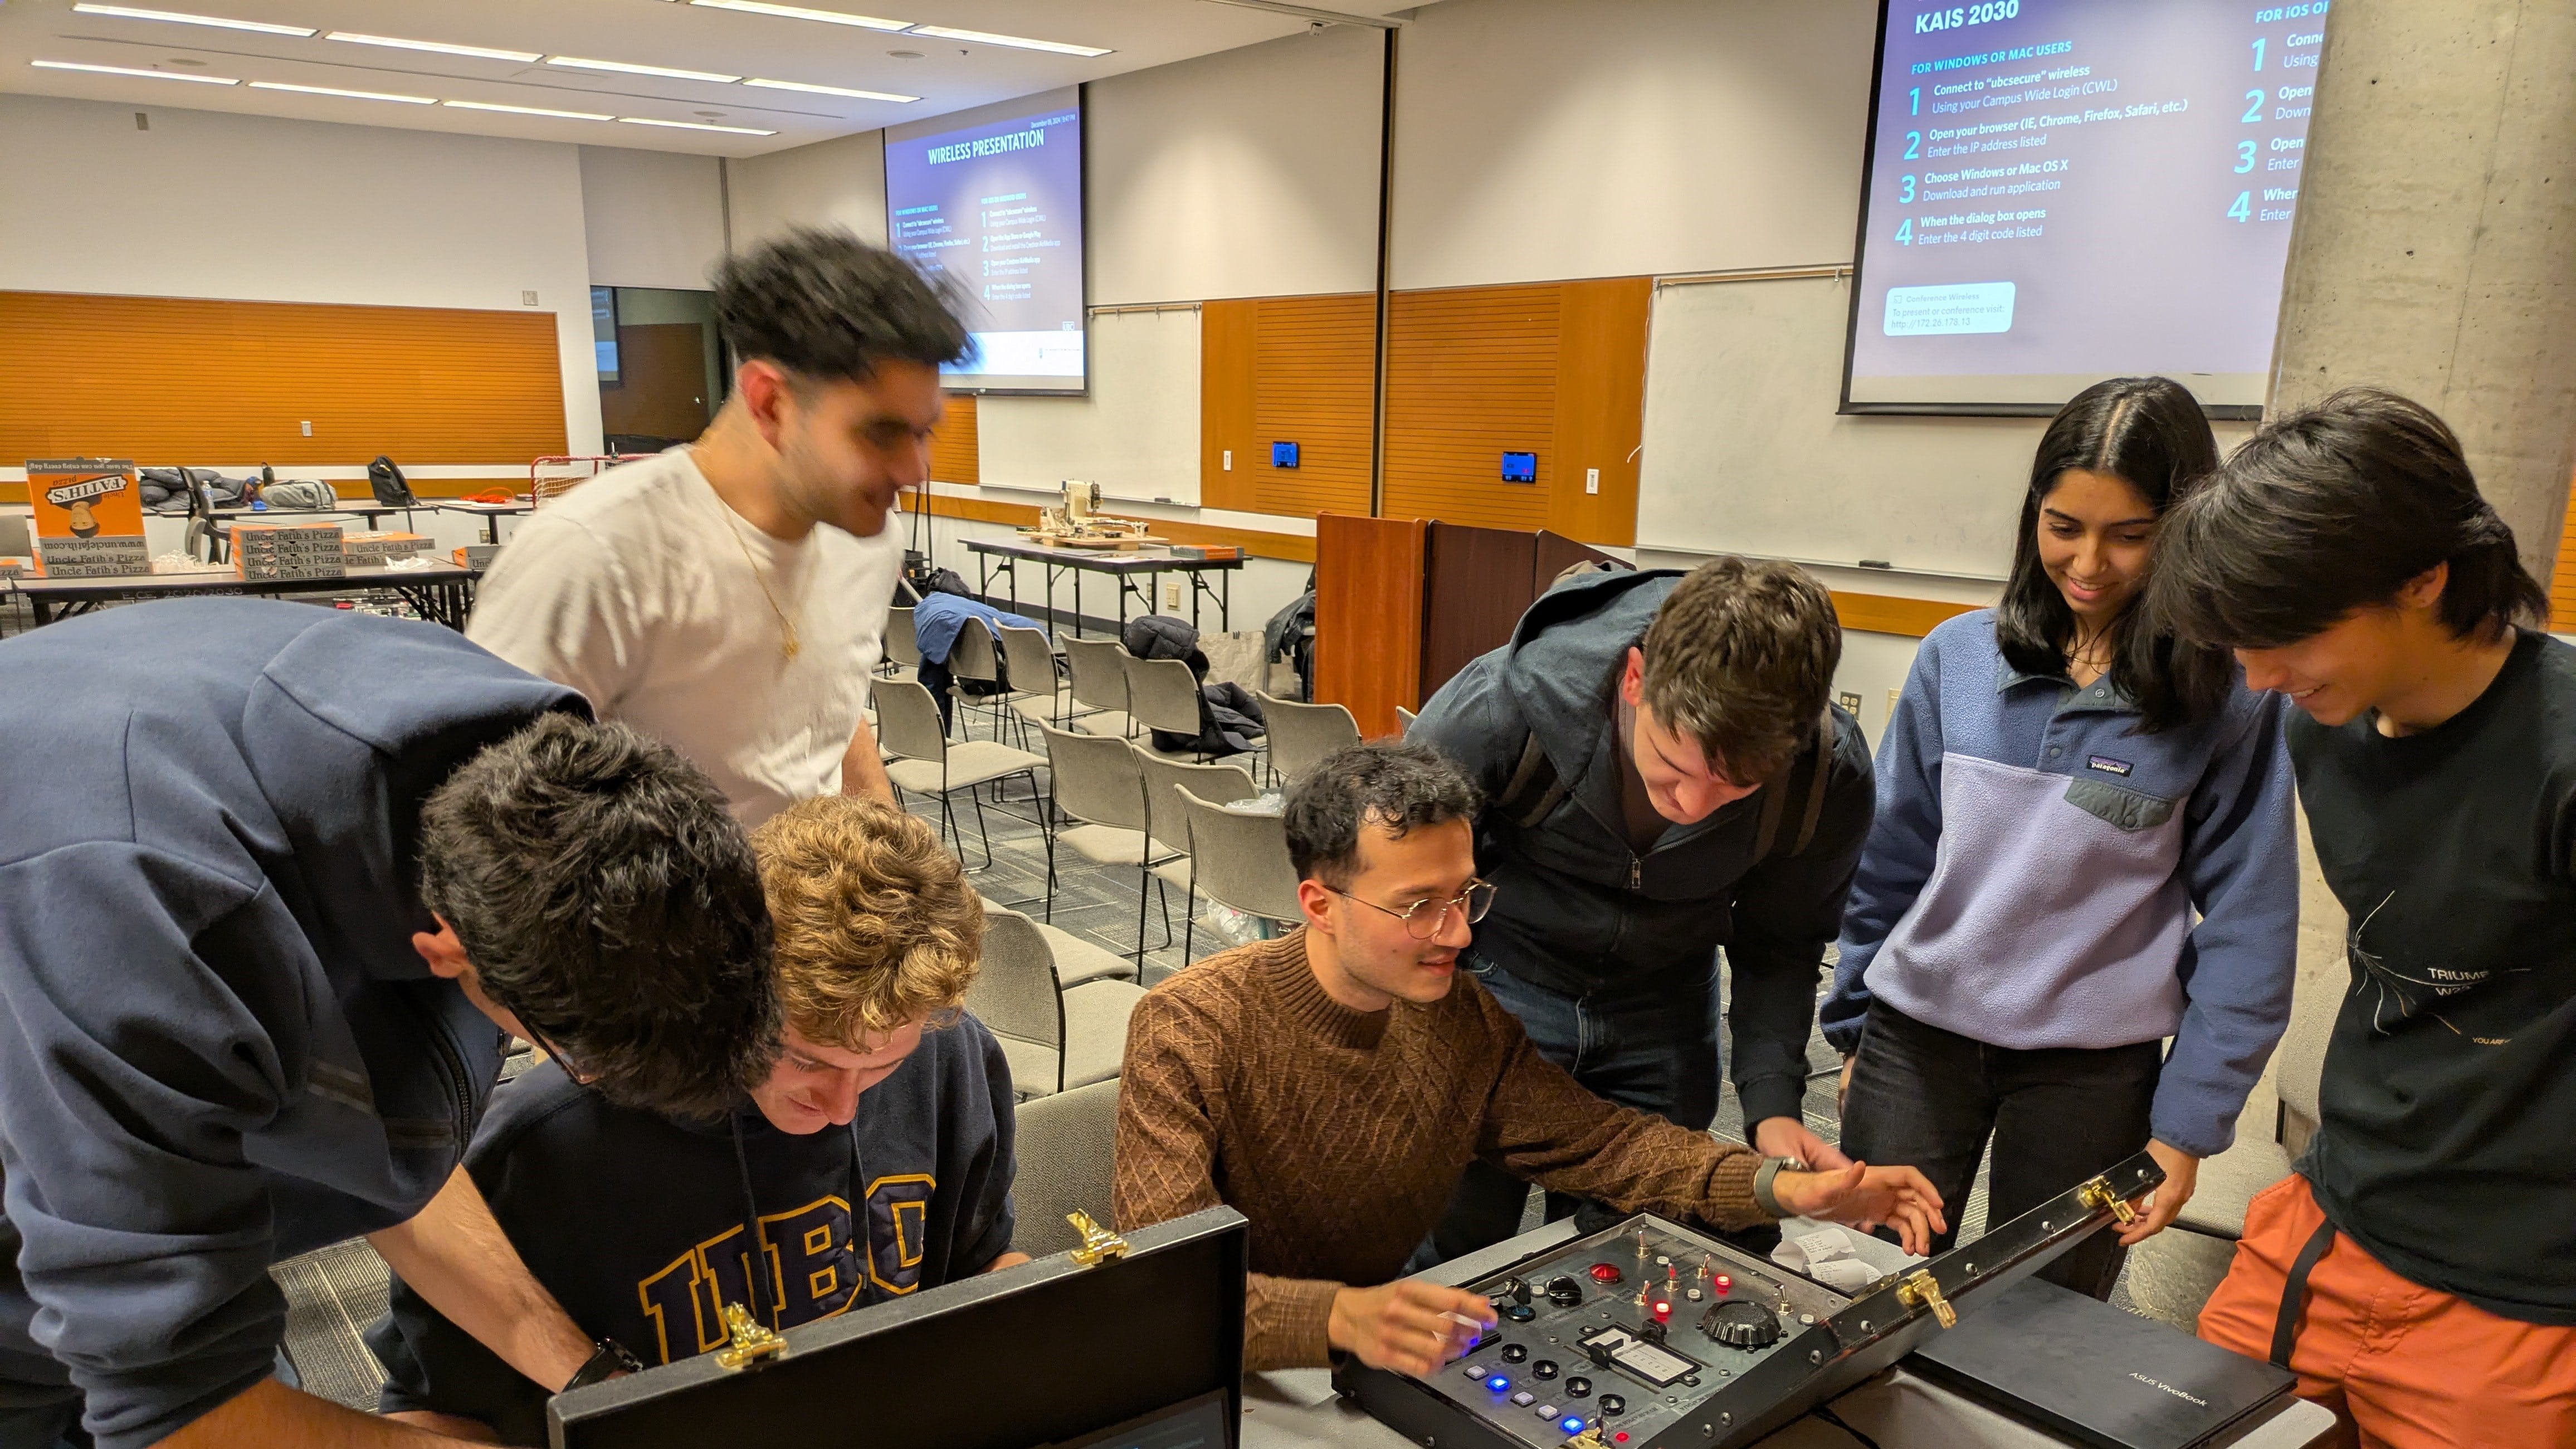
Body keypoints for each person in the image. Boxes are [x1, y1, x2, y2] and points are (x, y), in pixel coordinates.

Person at [0, 601, 779, 1449]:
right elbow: (178, 1412)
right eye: (575, 1061)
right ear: (445, 948)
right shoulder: (146, 928)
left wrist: (597, 1389)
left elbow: (373, 1134)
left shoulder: (514, 766)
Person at [1113, 741, 1943, 1374]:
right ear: (1320, 905)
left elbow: (1605, 1144)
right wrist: (1340, 1316)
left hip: (1361, 1356)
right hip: (1222, 1373)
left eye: (1466, 894)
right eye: (1418, 906)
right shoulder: (1188, 1027)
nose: (1460, 931)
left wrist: (1785, 1187)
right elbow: (1165, 1292)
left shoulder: (1459, 1020)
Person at [2144, 389, 2576, 1448]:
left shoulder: (2559, 752)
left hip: (2518, 1293)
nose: (2257, 680)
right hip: (2330, 1214)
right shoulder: (2320, 724)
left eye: (2284, 639)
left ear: (2422, 577)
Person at [1819, 377, 2299, 1298]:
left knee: (2041, 1320)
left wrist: (2184, 1127)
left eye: (2128, 535)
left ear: (2185, 527)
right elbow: (1885, 863)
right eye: (2061, 526)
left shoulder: (2229, 700)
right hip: (1913, 1043)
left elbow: (2248, 925)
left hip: (2091, 1074)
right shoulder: (1953, 660)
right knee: (1867, 1288)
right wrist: (1849, 1027)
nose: (2086, 563)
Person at [368, 794, 1024, 1443]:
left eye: (881, 1069)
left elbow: (984, 1265)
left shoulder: (949, 1056)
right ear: (729, 1005)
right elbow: (425, 1416)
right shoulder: (543, 1143)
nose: (842, 1107)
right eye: (805, 1061)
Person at [1407, 558, 1874, 1258]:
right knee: (1453, 1242)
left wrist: (1773, 1104)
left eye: (1734, 789)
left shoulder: (1825, 776)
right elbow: (1401, 891)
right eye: (1675, 766)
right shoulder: (1497, 711)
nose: (1691, 808)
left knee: (1629, 1254)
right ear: (1634, 681)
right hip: (1498, 986)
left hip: (1664, 1007)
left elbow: (1781, 943)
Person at [469, 228, 970, 826]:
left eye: (924, 432)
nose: (915, 470)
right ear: (769, 404)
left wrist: (890, 851)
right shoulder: (593, 554)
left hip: (803, 907)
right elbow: (487, 819)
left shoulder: (865, 533)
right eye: (881, 433)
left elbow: (828, 715)